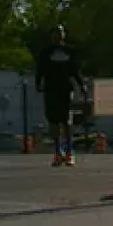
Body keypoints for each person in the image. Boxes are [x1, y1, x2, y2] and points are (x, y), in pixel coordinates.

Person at [35, 26, 86, 166]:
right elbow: (40, 70)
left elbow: (75, 70)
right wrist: (38, 83)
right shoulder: (45, 53)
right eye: (54, 34)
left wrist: (82, 85)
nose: (57, 36)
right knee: (54, 122)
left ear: (63, 35)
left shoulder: (69, 52)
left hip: (65, 89)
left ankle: (69, 152)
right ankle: (58, 152)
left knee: (67, 120)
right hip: (51, 89)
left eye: (59, 33)